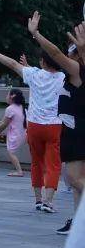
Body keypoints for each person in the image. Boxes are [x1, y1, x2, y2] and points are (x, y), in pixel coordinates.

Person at [0, 33, 65, 213]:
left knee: (37, 162)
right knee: (53, 164)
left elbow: (12, 63)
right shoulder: (63, 77)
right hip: (54, 125)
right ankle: (48, 201)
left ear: (43, 62)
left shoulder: (34, 74)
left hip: (34, 125)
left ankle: (37, 200)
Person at [27, 13, 85, 234]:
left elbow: (55, 53)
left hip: (77, 129)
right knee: (79, 179)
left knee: (73, 178)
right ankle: (79, 223)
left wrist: (36, 34)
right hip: (74, 128)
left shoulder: (78, 70)